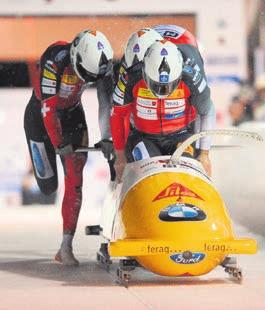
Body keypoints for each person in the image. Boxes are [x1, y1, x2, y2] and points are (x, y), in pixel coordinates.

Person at [24, 30, 115, 266]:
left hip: (73, 115)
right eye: (84, 74)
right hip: (40, 116)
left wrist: (107, 137)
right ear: (75, 57)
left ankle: (65, 247)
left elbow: (105, 102)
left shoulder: (104, 66)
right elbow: (48, 108)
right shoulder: (55, 56)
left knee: (75, 178)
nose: (86, 80)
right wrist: (58, 143)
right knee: (48, 186)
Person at [111, 38, 215, 182]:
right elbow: (117, 114)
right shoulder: (130, 78)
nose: (162, 91)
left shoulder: (192, 78)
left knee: (185, 173)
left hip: (181, 136)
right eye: (156, 84)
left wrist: (204, 154)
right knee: (151, 174)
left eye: (168, 85)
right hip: (143, 137)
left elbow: (207, 111)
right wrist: (120, 156)